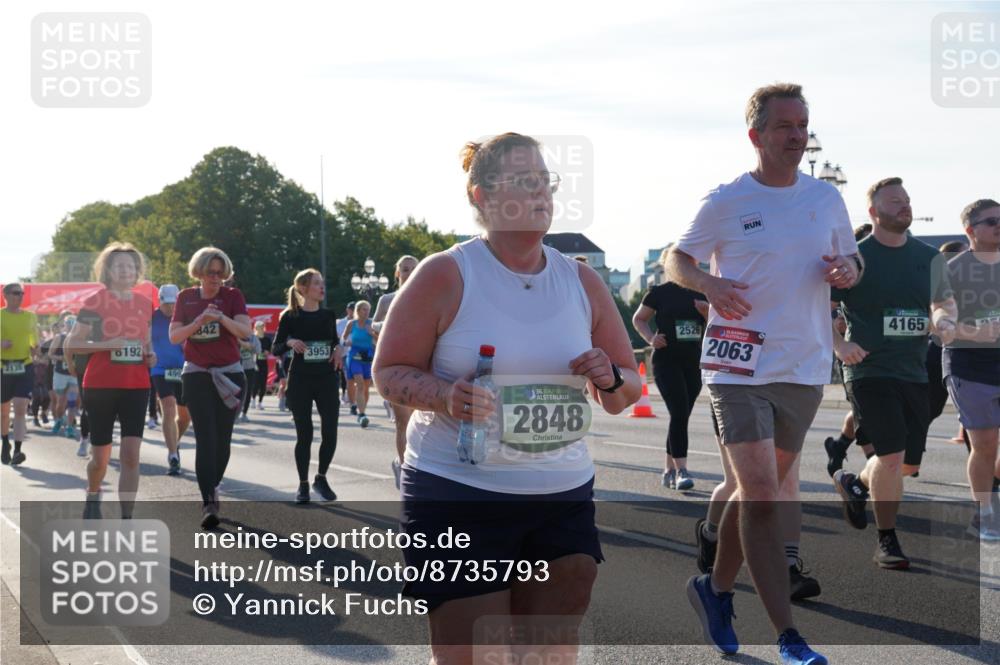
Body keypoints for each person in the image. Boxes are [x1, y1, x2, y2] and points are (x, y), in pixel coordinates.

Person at [373, 132, 640, 665]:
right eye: (523, 182)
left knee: (548, 655)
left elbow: (627, 388)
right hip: (461, 490)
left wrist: (609, 375)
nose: (539, 193)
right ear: (482, 196)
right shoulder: (447, 273)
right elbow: (389, 371)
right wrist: (447, 395)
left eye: (545, 181)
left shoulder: (580, 280)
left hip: (562, 493)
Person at [665, 83, 861, 664]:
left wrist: (848, 269)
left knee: (760, 492)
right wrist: (709, 283)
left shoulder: (825, 199)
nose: (798, 136)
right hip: (735, 362)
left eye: (803, 125)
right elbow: (680, 258)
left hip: (802, 365)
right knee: (759, 492)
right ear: (756, 135)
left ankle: (715, 590)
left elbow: (853, 257)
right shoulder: (727, 200)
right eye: (785, 126)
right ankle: (787, 634)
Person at [830, 177, 954, 569]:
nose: (904, 206)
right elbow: (819, 304)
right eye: (894, 201)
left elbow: (941, 302)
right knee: (891, 455)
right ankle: (887, 541)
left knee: (905, 466)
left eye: (907, 200)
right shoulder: (855, 257)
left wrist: (942, 320)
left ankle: (855, 482)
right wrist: (840, 345)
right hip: (868, 369)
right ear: (874, 212)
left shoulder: (929, 257)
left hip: (913, 370)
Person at [64, 243, 156, 519]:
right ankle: (93, 495)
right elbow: (73, 343)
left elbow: (146, 342)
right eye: (120, 266)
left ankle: (126, 519)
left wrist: (151, 356)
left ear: (136, 270)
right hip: (100, 386)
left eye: (131, 265)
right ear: (109, 270)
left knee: (130, 455)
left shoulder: (144, 303)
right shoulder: (95, 302)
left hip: (137, 385)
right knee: (100, 457)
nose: (126, 270)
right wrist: (108, 344)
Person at [169, 247, 251, 529]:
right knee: (205, 437)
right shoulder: (186, 298)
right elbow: (174, 336)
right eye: (210, 272)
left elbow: (246, 332)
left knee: (222, 439)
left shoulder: (232, 297)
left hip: (229, 374)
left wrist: (221, 319)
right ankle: (208, 501)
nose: (216, 278)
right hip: (197, 374)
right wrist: (198, 322)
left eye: (220, 273)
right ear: (199, 273)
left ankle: (212, 485)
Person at [939, 199, 1000, 538]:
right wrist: (975, 332)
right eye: (992, 221)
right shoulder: (952, 269)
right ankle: (985, 514)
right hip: (969, 366)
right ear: (970, 230)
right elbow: (940, 322)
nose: (999, 226)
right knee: (985, 444)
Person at [632, 253, 709, 491]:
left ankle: (668, 468)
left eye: (693, 263)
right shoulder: (659, 292)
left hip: (693, 362)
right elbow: (639, 319)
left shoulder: (703, 292)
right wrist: (651, 338)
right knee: (678, 411)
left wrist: (708, 314)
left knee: (682, 414)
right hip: (666, 361)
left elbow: (715, 327)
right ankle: (681, 471)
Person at [273, 269, 343, 503]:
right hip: (301, 379)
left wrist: (339, 350)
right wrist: (290, 341)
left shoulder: (328, 315)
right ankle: (303, 484)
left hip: (326, 378)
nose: (322, 287)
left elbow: (334, 342)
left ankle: (320, 478)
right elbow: (276, 347)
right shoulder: (290, 317)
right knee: (305, 435)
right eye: (316, 284)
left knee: (330, 433)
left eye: (322, 283)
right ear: (303, 288)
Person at [824, 223, 877, 476]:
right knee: (864, 412)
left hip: (889, 355)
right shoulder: (846, 274)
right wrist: (839, 336)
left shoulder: (891, 272)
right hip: (853, 354)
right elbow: (824, 305)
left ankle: (840, 444)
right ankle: (874, 464)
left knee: (860, 410)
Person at [373, 254, 419, 487]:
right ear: (397, 273)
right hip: (396, 368)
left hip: (422, 366)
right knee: (403, 420)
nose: (409, 272)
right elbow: (373, 328)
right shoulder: (387, 300)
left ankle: (414, 463)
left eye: (413, 268)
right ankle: (405, 468)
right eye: (405, 269)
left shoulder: (427, 298)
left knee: (418, 421)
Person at [151, 284, 190, 475]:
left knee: (185, 417)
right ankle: (173, 455)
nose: (170, 308)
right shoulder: (151, 318)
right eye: (167, 304)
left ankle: (174, 441)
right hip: (159, 370)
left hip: (183, 369)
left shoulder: (184, 317)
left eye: (173, 304)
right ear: (160, 301)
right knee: (168, 405)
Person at [1, 282, 38, 466]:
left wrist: (35, 348)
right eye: (16, 293)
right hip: (3, 367)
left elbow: (33, 338)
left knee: (21, 408)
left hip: (24, 365)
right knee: (4, 412)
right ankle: (5, 442)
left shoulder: (30, 317)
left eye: (21, 293)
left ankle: (17, 450)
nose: (20, 296)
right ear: (5, 295)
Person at [343, 300, 378, 428]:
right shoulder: (352, 324)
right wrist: (346, 342)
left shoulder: (372, 324)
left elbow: (381, 339)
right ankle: (361, 414)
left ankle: (361, 409)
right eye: (364, 309)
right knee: (360, 383)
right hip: (354, 356)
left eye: (368, 309)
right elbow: (344, 337)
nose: (367, 312)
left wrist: (372, 333)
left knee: (366, 386)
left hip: (368, 356)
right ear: (357, 311)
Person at [49, 316, 81, 440]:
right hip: (60, 374)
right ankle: (59, 419)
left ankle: (69, 427)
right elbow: (50, 354)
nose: (71, 326)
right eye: (69, 324)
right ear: (65, 325)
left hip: (73, 375)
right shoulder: (59, 338)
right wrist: (61, 358)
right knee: (60, 403)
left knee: (72, 402)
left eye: (74, 324)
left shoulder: (80, 339)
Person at [238, 328, 261, 423]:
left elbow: (258, 350)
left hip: (250, 368)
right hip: (237, 368)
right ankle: (236, 413)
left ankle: (244, 413)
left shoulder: (253, 338)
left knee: (248, 391)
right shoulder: (236, 335)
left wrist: (246, 345)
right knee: (237, 391)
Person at [336, 302, 356, 412]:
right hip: (344, 354)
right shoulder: (340, 323)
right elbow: (337, 337)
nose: (353, 311)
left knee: (357, 377)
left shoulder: (360, 322)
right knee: (346, 376)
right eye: (351, 309)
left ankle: (351, 398)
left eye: (355, 309)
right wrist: (343, 342)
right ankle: (345, 395)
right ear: (347, 310)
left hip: (358, 353)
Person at [252, 321, 272, 409]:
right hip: (254, 363)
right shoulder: (253, 338)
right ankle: (253, 400)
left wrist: (267, 352)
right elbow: (251, 349)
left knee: (263, 384)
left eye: (262, 327)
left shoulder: (267, 339)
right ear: (255, 328)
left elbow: (270, 350)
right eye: (259, 327)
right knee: (255, 383)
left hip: (264, 363)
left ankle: (260, 402)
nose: (261, 329)